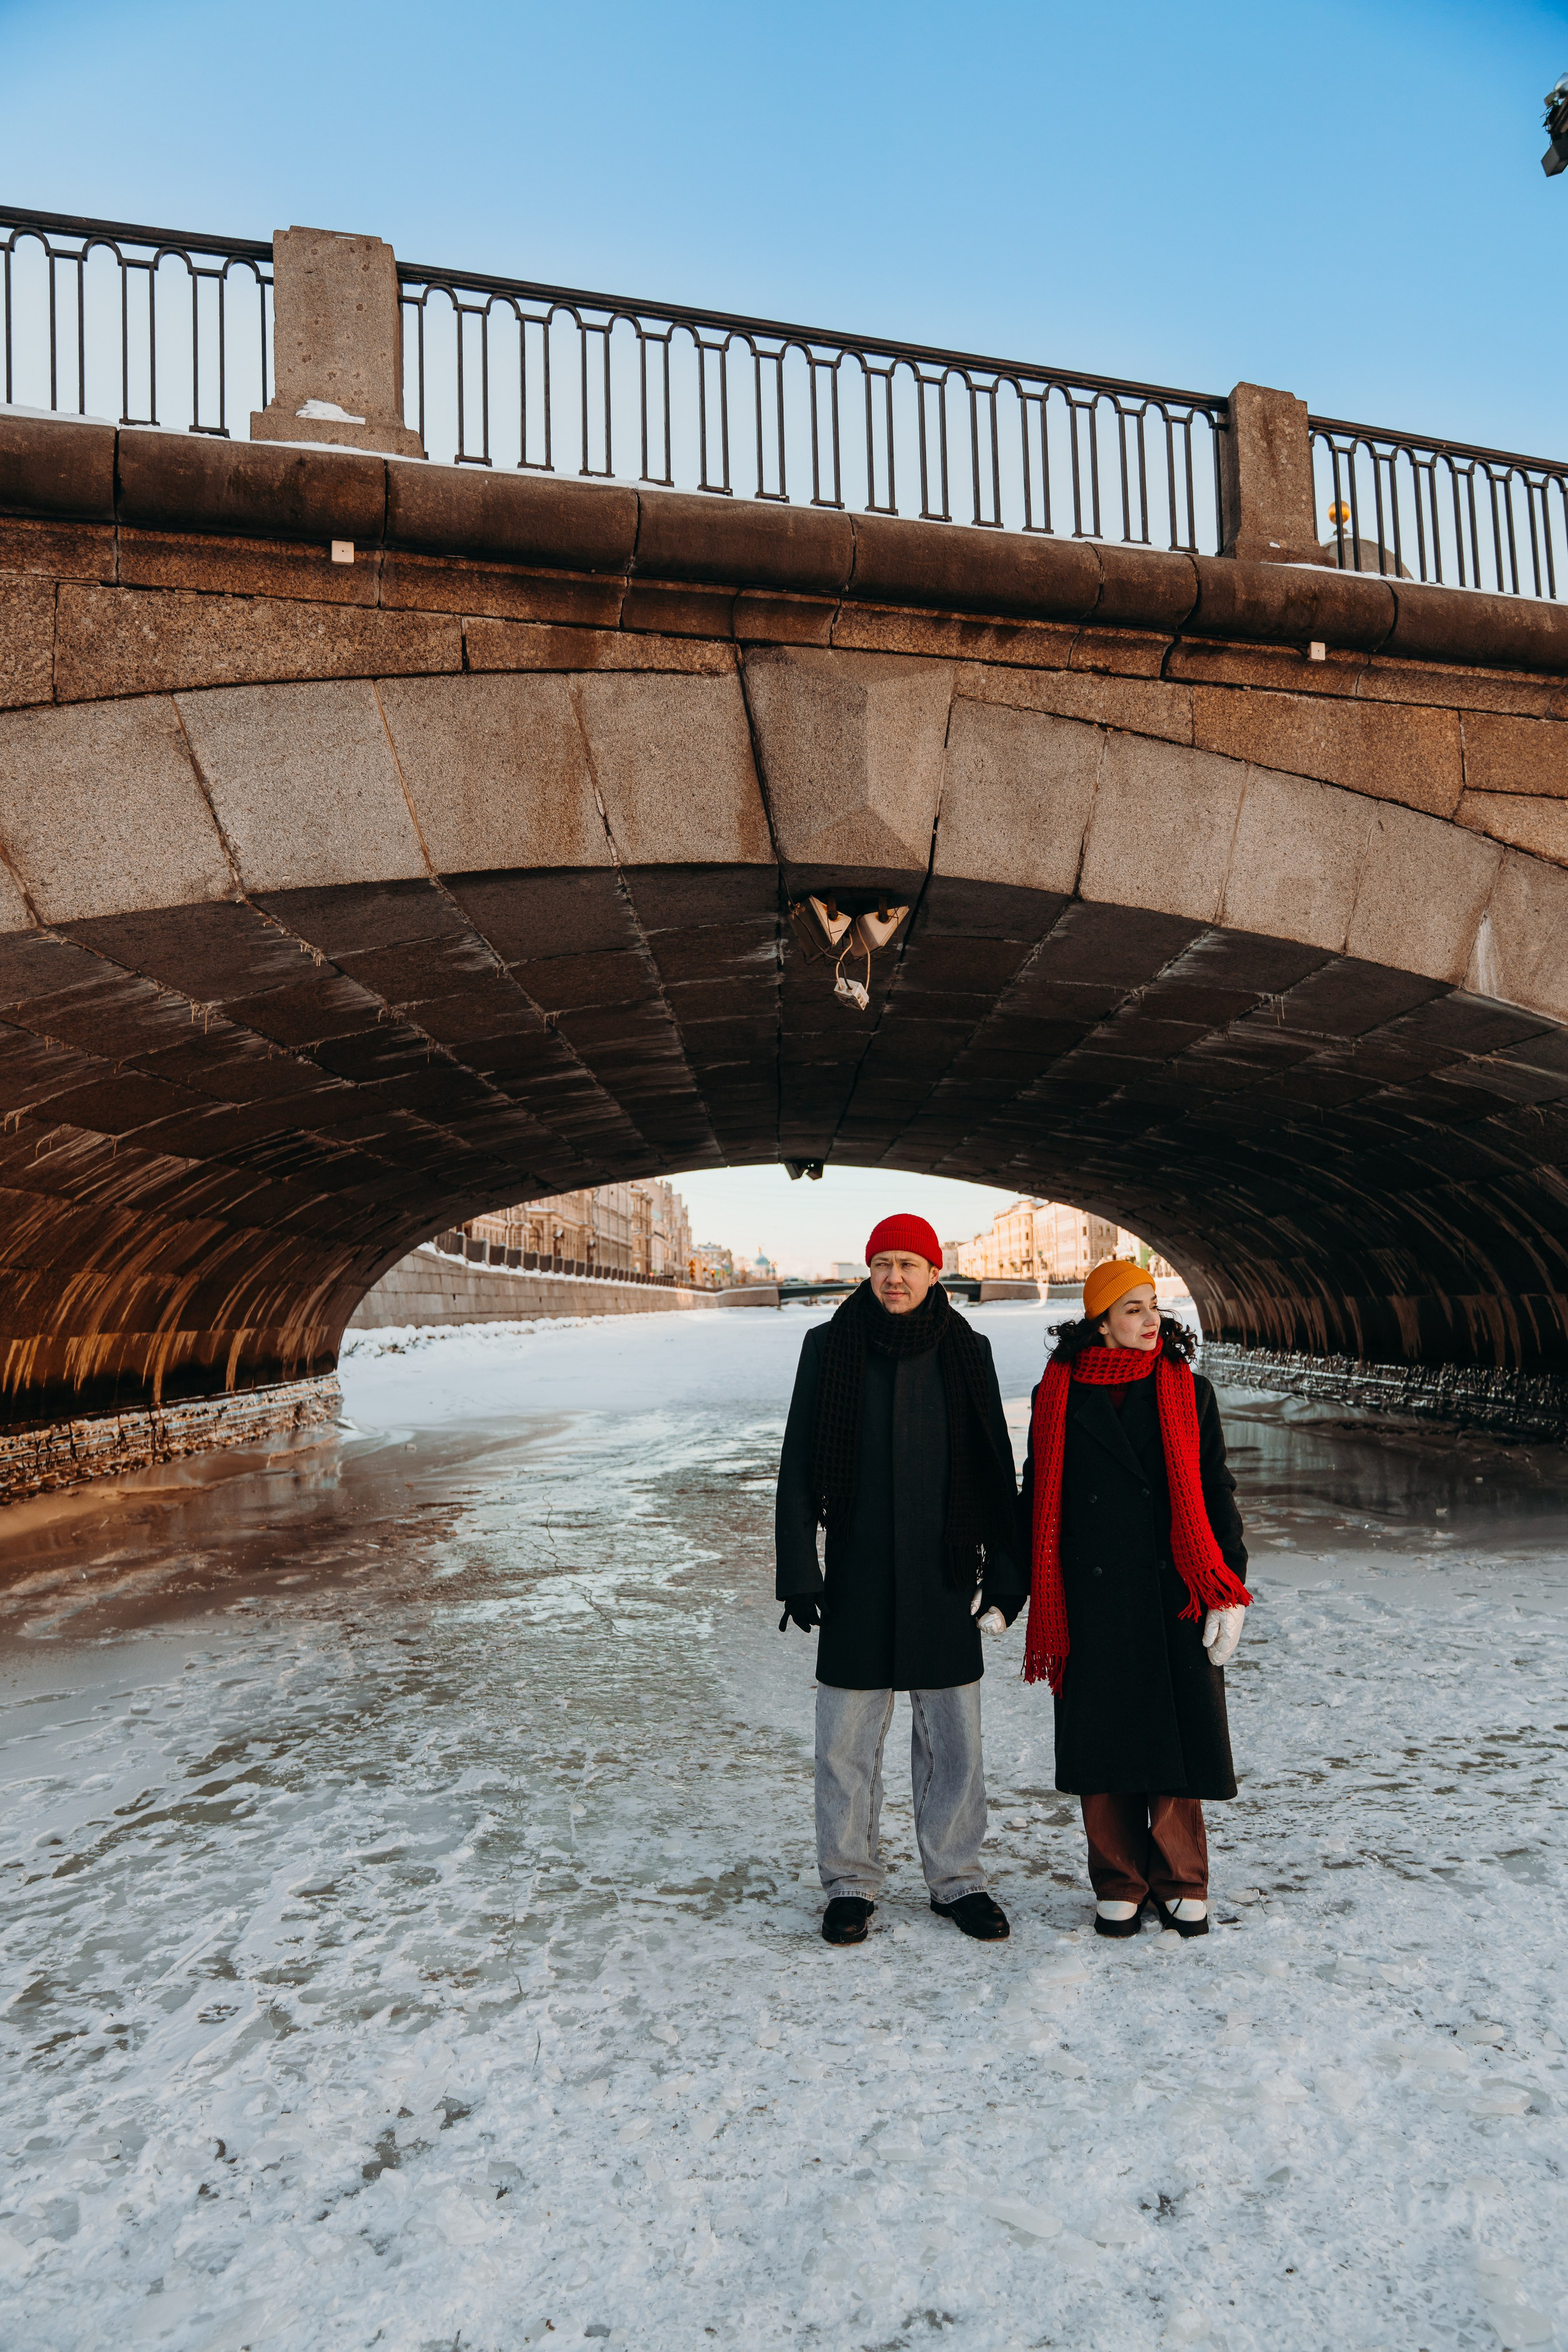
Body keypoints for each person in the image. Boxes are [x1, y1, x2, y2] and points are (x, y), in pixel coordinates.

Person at [775, 1215, 1027, 1946]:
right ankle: (849, 1881)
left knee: (955, 1744)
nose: (894, 1277)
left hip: (945, 1572)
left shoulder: (966, 1350)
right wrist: (801, 1569)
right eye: (883, 1263)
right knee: (843, 1744)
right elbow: (797, 1462)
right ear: (868, 1270)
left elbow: (992, 1465)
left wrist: (1005, 1580)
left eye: (908, 1264)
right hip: (857, 1574)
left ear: (933, 1271)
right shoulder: (828, 1347)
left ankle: (957, 1879)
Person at [1017, 1259, 1250, 1939]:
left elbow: (1215, 1491)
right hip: (1089, 1597)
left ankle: (1182, 1879)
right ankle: (1117, 1878)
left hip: (1175, 1588)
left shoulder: (1188, 1390)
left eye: (1154, 1307)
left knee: (1173, 1738)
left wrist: (1227, 1587)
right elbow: (1038, 1496)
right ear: (1100, 1323)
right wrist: (1012, 1586)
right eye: (1133, 1310)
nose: (1152, 1321)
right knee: (1104, 1742)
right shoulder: (1054, 1394)